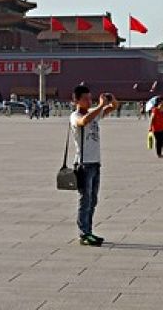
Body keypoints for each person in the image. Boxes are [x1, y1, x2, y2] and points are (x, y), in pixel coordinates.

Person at [70, 85, 117, 246]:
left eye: (91, 98)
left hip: (95, 163)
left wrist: (111, 99)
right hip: (83, 164)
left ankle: (88, 230)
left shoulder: (95, 114)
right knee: (85, 200)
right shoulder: (74, 115)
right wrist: (100, 106)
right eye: (86, 99)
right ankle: (83, 233)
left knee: (93, 200)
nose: (89, 101)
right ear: (76, 100)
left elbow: (114, 107)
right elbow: (83, 121)